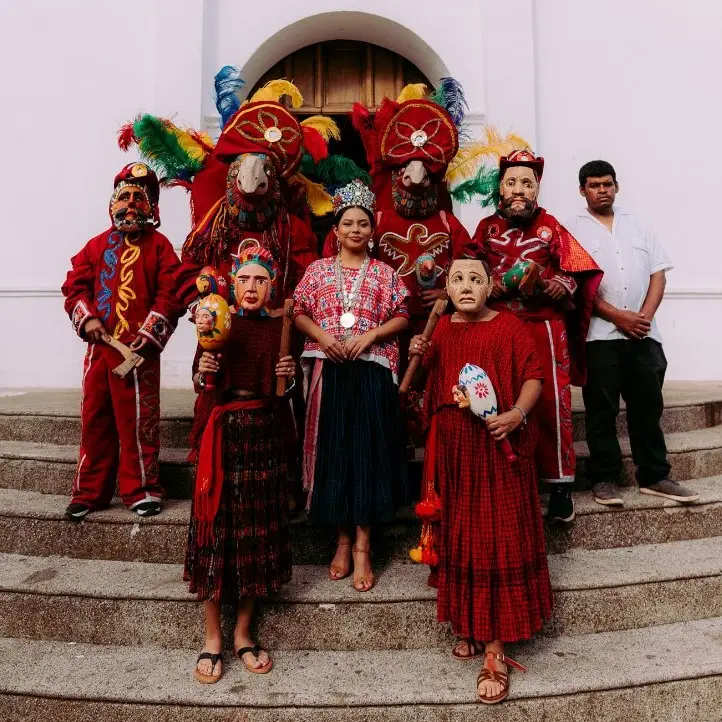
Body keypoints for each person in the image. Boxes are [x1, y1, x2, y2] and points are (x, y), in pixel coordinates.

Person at [409, 258, 552, 705]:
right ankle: (469, 624)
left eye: (476, 279)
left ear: (491, 285)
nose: (467, 286)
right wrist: (419, 352)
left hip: (497, 444)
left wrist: (517, 413)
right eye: (457, 280)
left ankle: (495, 649)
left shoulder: (509, 326)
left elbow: (533, 376)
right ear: (446, 289)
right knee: (461, 535)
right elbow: (424, 387)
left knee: (495, 536)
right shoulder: (442, 330)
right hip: (453, 450)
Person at [184, 243, 296, 684]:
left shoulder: (279, 327)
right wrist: (203, 368)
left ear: (272, 285)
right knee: (213, 532)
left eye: (261, 280)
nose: (252, 287)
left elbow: (285, 390)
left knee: (256, 536)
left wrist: (290, 375)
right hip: (222, 435)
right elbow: (201, 380)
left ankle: (243, 633)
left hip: (263, 436)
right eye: (245, 279)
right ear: (233, 283)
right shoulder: (215, 319)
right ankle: (213, 637)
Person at [472, 150, 602, 523]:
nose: (519, 190)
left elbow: (578, 270)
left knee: (549, 402)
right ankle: (503, 481)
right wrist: (489, 285)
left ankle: (560, 487)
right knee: (495, 399)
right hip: (495, 324)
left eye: (527, 184)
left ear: (537, 190)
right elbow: (463, 268)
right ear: (500, 187)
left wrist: (561, 284)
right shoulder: (485, 229)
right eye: (511, 182)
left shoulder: (552, 227)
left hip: (543, 326)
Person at [294, 180, 410, 592]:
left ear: (372, 231)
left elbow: (402, 316)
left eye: (364, 223)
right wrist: (324, 338)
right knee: (335, 454)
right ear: (337, 231)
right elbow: (300, 312)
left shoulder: (385, 273)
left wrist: (373, 335)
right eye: (349, 223)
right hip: (330, 368)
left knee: (366, 454)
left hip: (371, 370)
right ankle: (341, 541)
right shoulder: (317, 271)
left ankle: (363, 547)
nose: (356, 230)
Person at [566, 160, 699, 505]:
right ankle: (605, 478)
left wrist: (643, 317)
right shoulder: (572, 230)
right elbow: (578, 287)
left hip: (644, 334)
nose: (602, 190)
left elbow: (658, 273)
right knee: (601, 410)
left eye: (607, 184)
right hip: (600, 336)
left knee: (647, 407)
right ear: (582, 190)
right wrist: (617, 317)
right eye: (594, 185)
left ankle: (655, 476)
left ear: (617, 186)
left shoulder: (638, 224)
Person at [61, 162, 182, 520]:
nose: (131, 204)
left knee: (137, 422)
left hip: (138, 355)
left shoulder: (160, 247)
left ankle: (141, 489)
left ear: (152, 207)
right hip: (100, 352)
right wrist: (89, 318)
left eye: (139, 198)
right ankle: (89, 492)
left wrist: (149, 335)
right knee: (95, 420)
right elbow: (74, 286)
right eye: (124, 197)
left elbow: (171, 295)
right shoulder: (96, 246)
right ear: (112, 203)